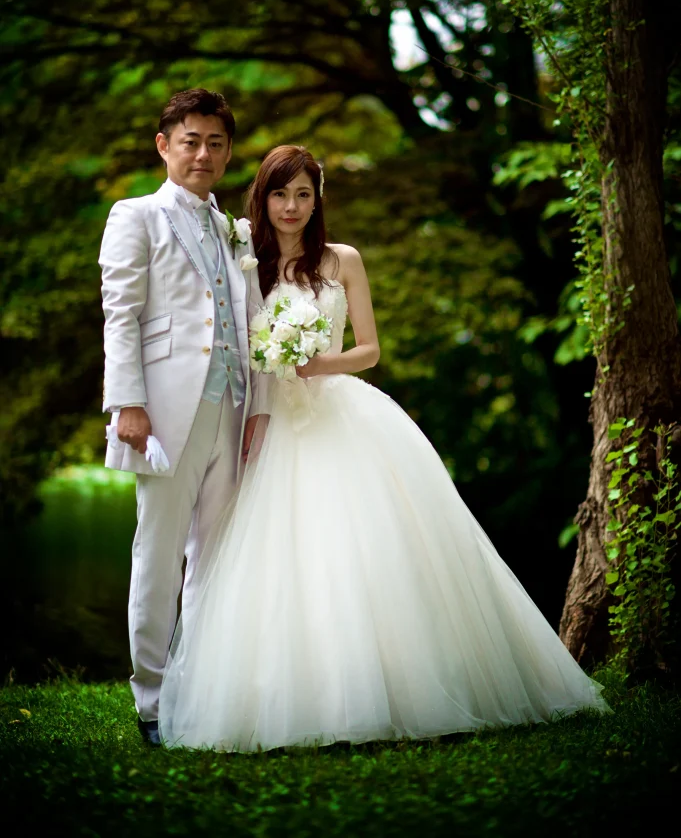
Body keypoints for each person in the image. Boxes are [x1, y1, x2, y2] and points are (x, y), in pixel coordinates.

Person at [158, 144, 609, 752]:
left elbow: (369, 349)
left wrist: (319, 363)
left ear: (317, 201)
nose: (291, 206)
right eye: (280, 194)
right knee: (281, 555)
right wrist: (258, 408)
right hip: (272, 418)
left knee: (362, 544)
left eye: (303, 195)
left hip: (338, 411)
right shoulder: (246, 265)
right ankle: (298, 693)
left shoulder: (342, 259)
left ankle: (398, 684)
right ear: (262, 199)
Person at [99, 89, 266, 746]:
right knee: (158, 554)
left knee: (216, 558)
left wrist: (260, 407)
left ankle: (195, 692)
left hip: (233, 407)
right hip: (166, 412)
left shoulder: (235, 229)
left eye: (215, 143)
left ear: (227, 152)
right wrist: (128, 403)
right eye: (191, 141)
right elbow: (121, 314)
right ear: (164, 145)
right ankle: (150, 700)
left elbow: (251, 323)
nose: (203, 154)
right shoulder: (136, 215)